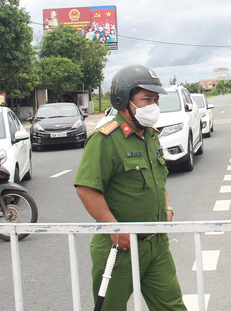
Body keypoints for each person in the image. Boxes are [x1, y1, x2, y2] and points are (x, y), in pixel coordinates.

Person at [74, 65, 187, 310]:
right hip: (120, 247)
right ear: (123, 100)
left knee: (173, 306)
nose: (153, 106)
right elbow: (86, 188)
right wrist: (114, 229)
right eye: (146, 99)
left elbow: (158, 177)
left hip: (156, 245)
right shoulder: (105, 139)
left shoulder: (150, 136)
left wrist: (167, 206)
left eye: (156, 100)